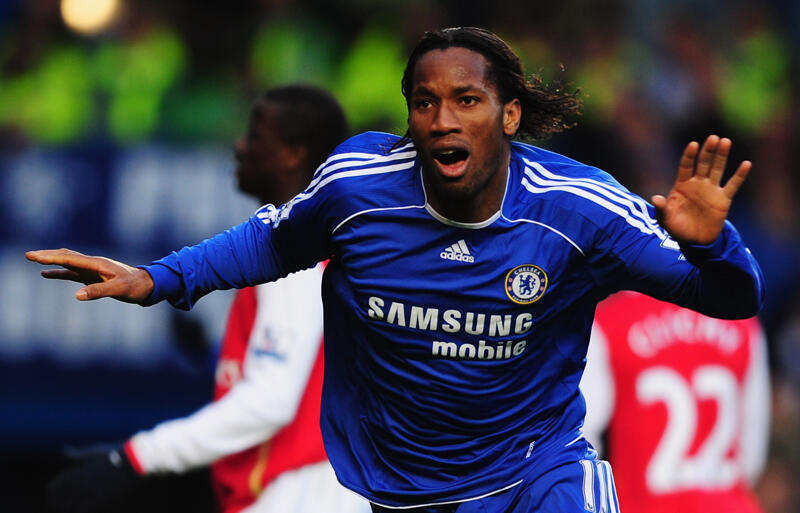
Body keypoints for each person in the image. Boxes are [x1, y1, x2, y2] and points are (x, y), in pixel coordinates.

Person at [28, 27, 765, 513]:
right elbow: (268, 242)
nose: (443, 120)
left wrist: (712, 244)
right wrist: (156, 279)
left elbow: (730, 299)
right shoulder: (359, 188)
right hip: (401, 483)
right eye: (424, 102)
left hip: (536, 471)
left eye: (467, 100)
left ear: (509, 116)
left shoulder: (578, 209)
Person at [45, 85, 369, 513]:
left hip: (298, 495)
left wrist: (134, 458)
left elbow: (269, 401)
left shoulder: (296, 263)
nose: (240, 145)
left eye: (255, 135)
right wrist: (212, 352)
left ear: (293, 154)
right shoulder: (312, 248)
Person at [580, 291, 770, 513]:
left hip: (643, 504)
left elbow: (581, 441)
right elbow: (752, 456)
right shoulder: (742, 319)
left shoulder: (608, 321)